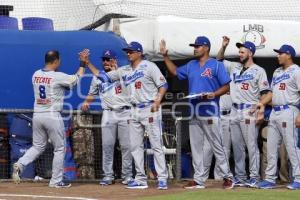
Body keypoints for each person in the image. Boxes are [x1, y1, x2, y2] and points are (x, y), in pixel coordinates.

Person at [80, 41, 169, 190]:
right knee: (135, 146)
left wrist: (158, 100)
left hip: (149, 107)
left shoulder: (149, 66)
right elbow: (103, 77)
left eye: (131, 51)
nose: (128, 53)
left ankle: (162, 178)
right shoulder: (124, 70)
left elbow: (163, 85)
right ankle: (140, 178)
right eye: (127, 51)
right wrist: (87, 63)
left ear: (139, 52)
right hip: (133, 110)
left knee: (156, 145)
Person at [160, 36, 234, 189]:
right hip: (194, 110)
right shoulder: (191, 65)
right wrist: (165, 56)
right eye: (194, 46)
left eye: (198, 46)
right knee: (196, 147)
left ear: (206, 48)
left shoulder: (215, 64)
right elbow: (174, 71)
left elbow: (227, 86)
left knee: (217, 145)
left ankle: (228, 177)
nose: (195, 48)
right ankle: (199, 179)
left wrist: (213, 94)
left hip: (210, 110)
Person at [12, 50, 85, 188]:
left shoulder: (36, 75)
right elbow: (76, 80)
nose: (60, 62)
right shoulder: (57, 76)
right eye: (59, 60)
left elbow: (56, 86)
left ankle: (20, 164)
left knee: (38, 146)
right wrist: (82, 63)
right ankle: (56, 181)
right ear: (56, 61)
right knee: (59, 148)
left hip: (38, 115)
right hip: (52, 115)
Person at [217, 36, 272, 187]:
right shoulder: (234, 67)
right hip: (235, 109)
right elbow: (219, 60)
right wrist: (224, 46)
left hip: (249, 109)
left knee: (251, 145)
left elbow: (266, 93)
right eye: (239, 51)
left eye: (243, 52)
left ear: (250, 53)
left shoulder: (258, 71)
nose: (240, 54)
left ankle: (254, 176)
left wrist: (261, 109)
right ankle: (240, 177)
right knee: (237, 146)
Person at [81, 49, 133, 185]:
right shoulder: (97, 77)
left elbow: (130, 90)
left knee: (126, 146)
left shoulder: (123, 72)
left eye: (108, 59)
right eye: (104, 59)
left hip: (125, 112)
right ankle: (108, 175)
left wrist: (117, 72)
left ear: (114, 60)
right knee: (107, 146)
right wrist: (87, 101)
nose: (105, 62)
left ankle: (127, 175)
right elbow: (92, 93)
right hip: (108, 113)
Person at [257, 44, 300, 190]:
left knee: (291, 146)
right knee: (271, 146)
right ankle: (270, 179)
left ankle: (299, 179)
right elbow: (271, 93)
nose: (277, 55)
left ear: (288, 55)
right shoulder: (277, 71)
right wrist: (261, 103)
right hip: (275, 112)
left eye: (280, 53)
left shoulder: (296, 71)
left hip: (289, 110)